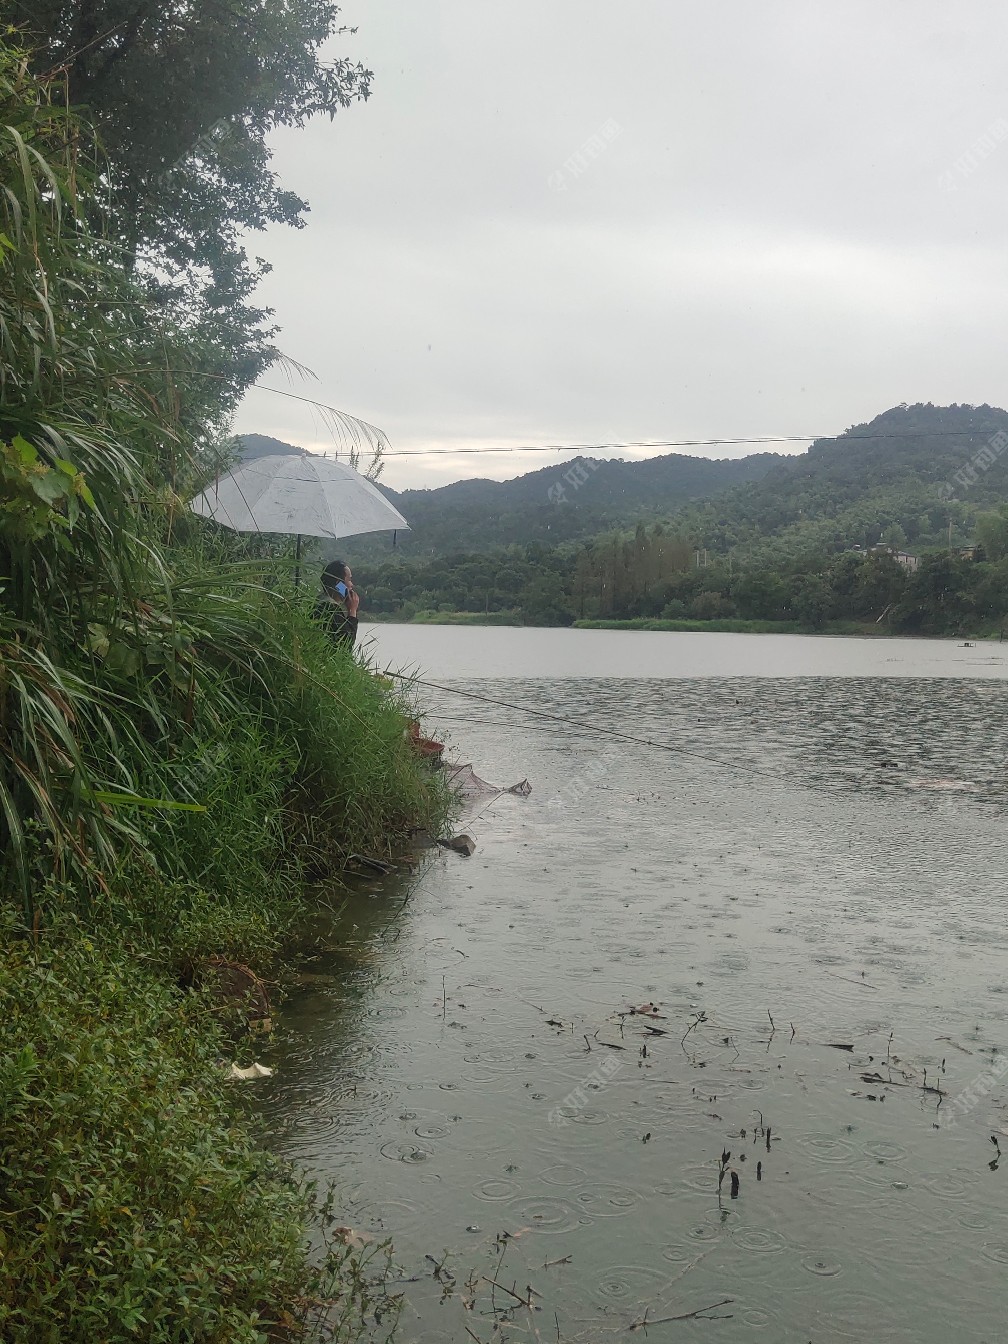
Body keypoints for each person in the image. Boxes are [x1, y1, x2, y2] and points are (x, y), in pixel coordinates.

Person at [314, 559, 360, 649]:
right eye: (349, 579)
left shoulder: (318, 601)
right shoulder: (331, 607)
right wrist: (353, 611)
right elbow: (346, 645)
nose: (352, 585)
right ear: (338, 583)